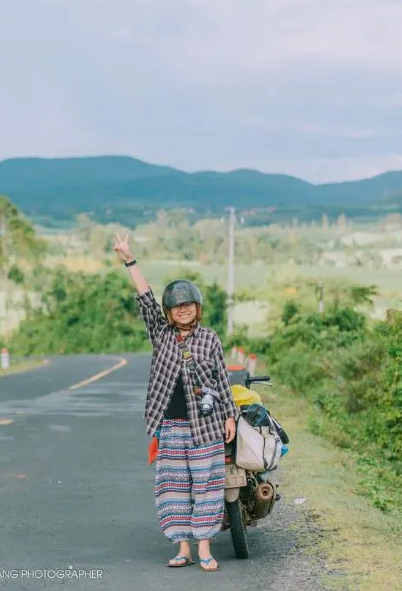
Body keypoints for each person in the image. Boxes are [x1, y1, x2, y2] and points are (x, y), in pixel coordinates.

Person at [113, 231, 239, 572]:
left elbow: (221, 379)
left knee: (209, 485)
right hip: (170, 425)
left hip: (207, 426)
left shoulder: (210, 338)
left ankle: (204, 548)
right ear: (169, 312)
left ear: (197, 308)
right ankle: (182, 547)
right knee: (174, 486)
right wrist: (129, 259)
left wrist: (229, 416)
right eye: (177, 306)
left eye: (188, 305)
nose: (183, 310)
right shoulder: (161, 334)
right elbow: (144, 297)